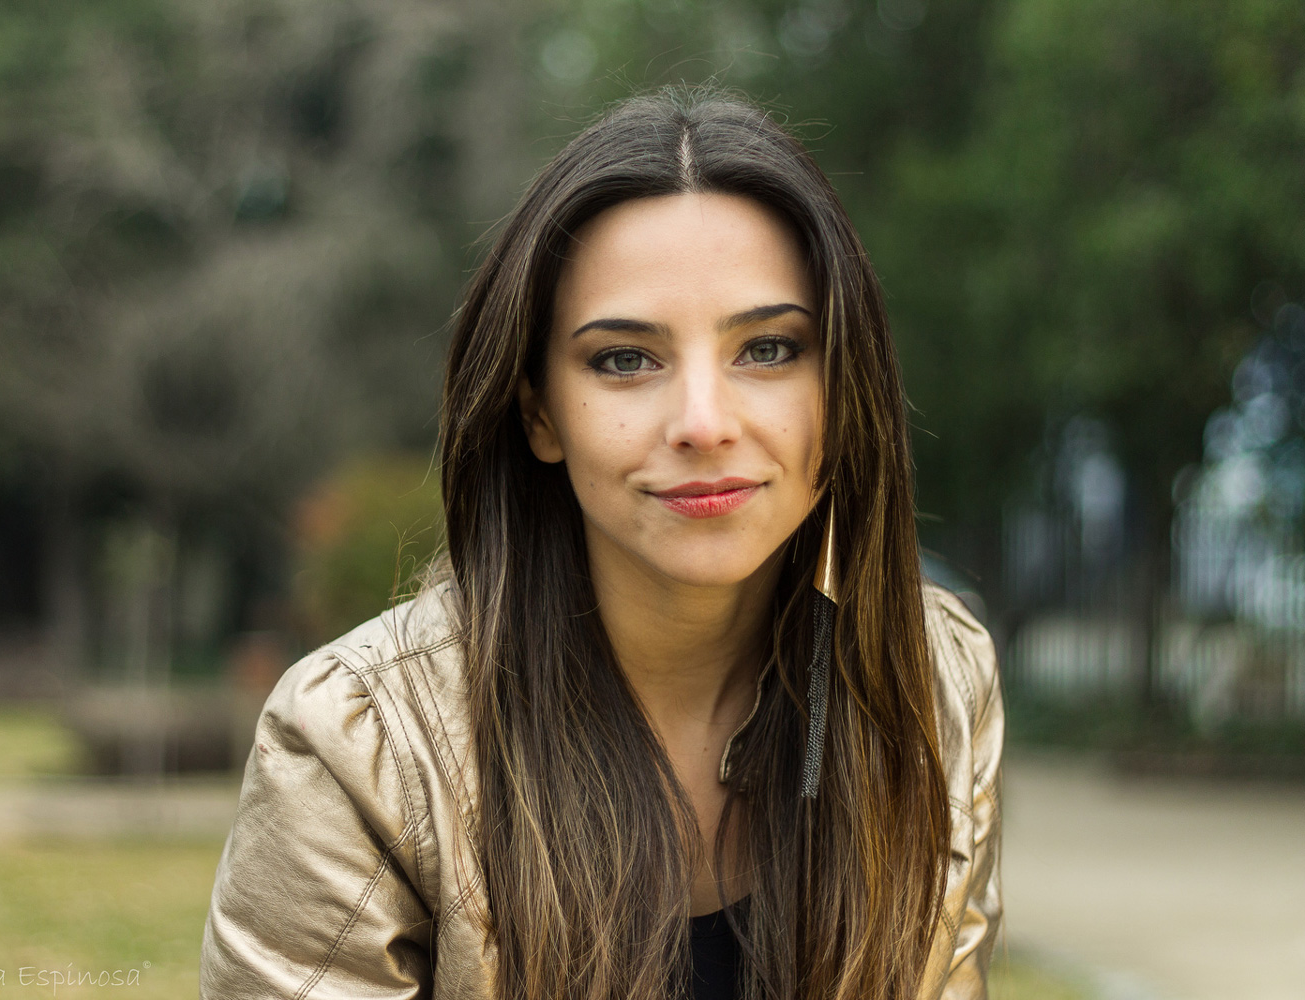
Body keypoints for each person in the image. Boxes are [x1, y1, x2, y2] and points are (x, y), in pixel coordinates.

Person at [199, 88, 1003, 1000]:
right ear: (538, 409)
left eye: (770, 349)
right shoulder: (362, 749)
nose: (704, 423)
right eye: (625, 359)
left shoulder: (935, 680)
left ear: (845, 383)